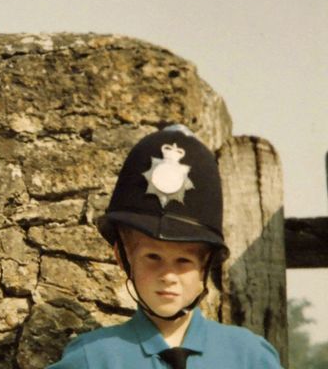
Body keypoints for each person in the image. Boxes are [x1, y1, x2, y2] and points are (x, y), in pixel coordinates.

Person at [47, 125, 282, 369]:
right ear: (123, 256)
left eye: (184, 261)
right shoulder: (92, 358)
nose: (168, 276)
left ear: (206, 264)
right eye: (153, 257)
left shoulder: (249, 357)